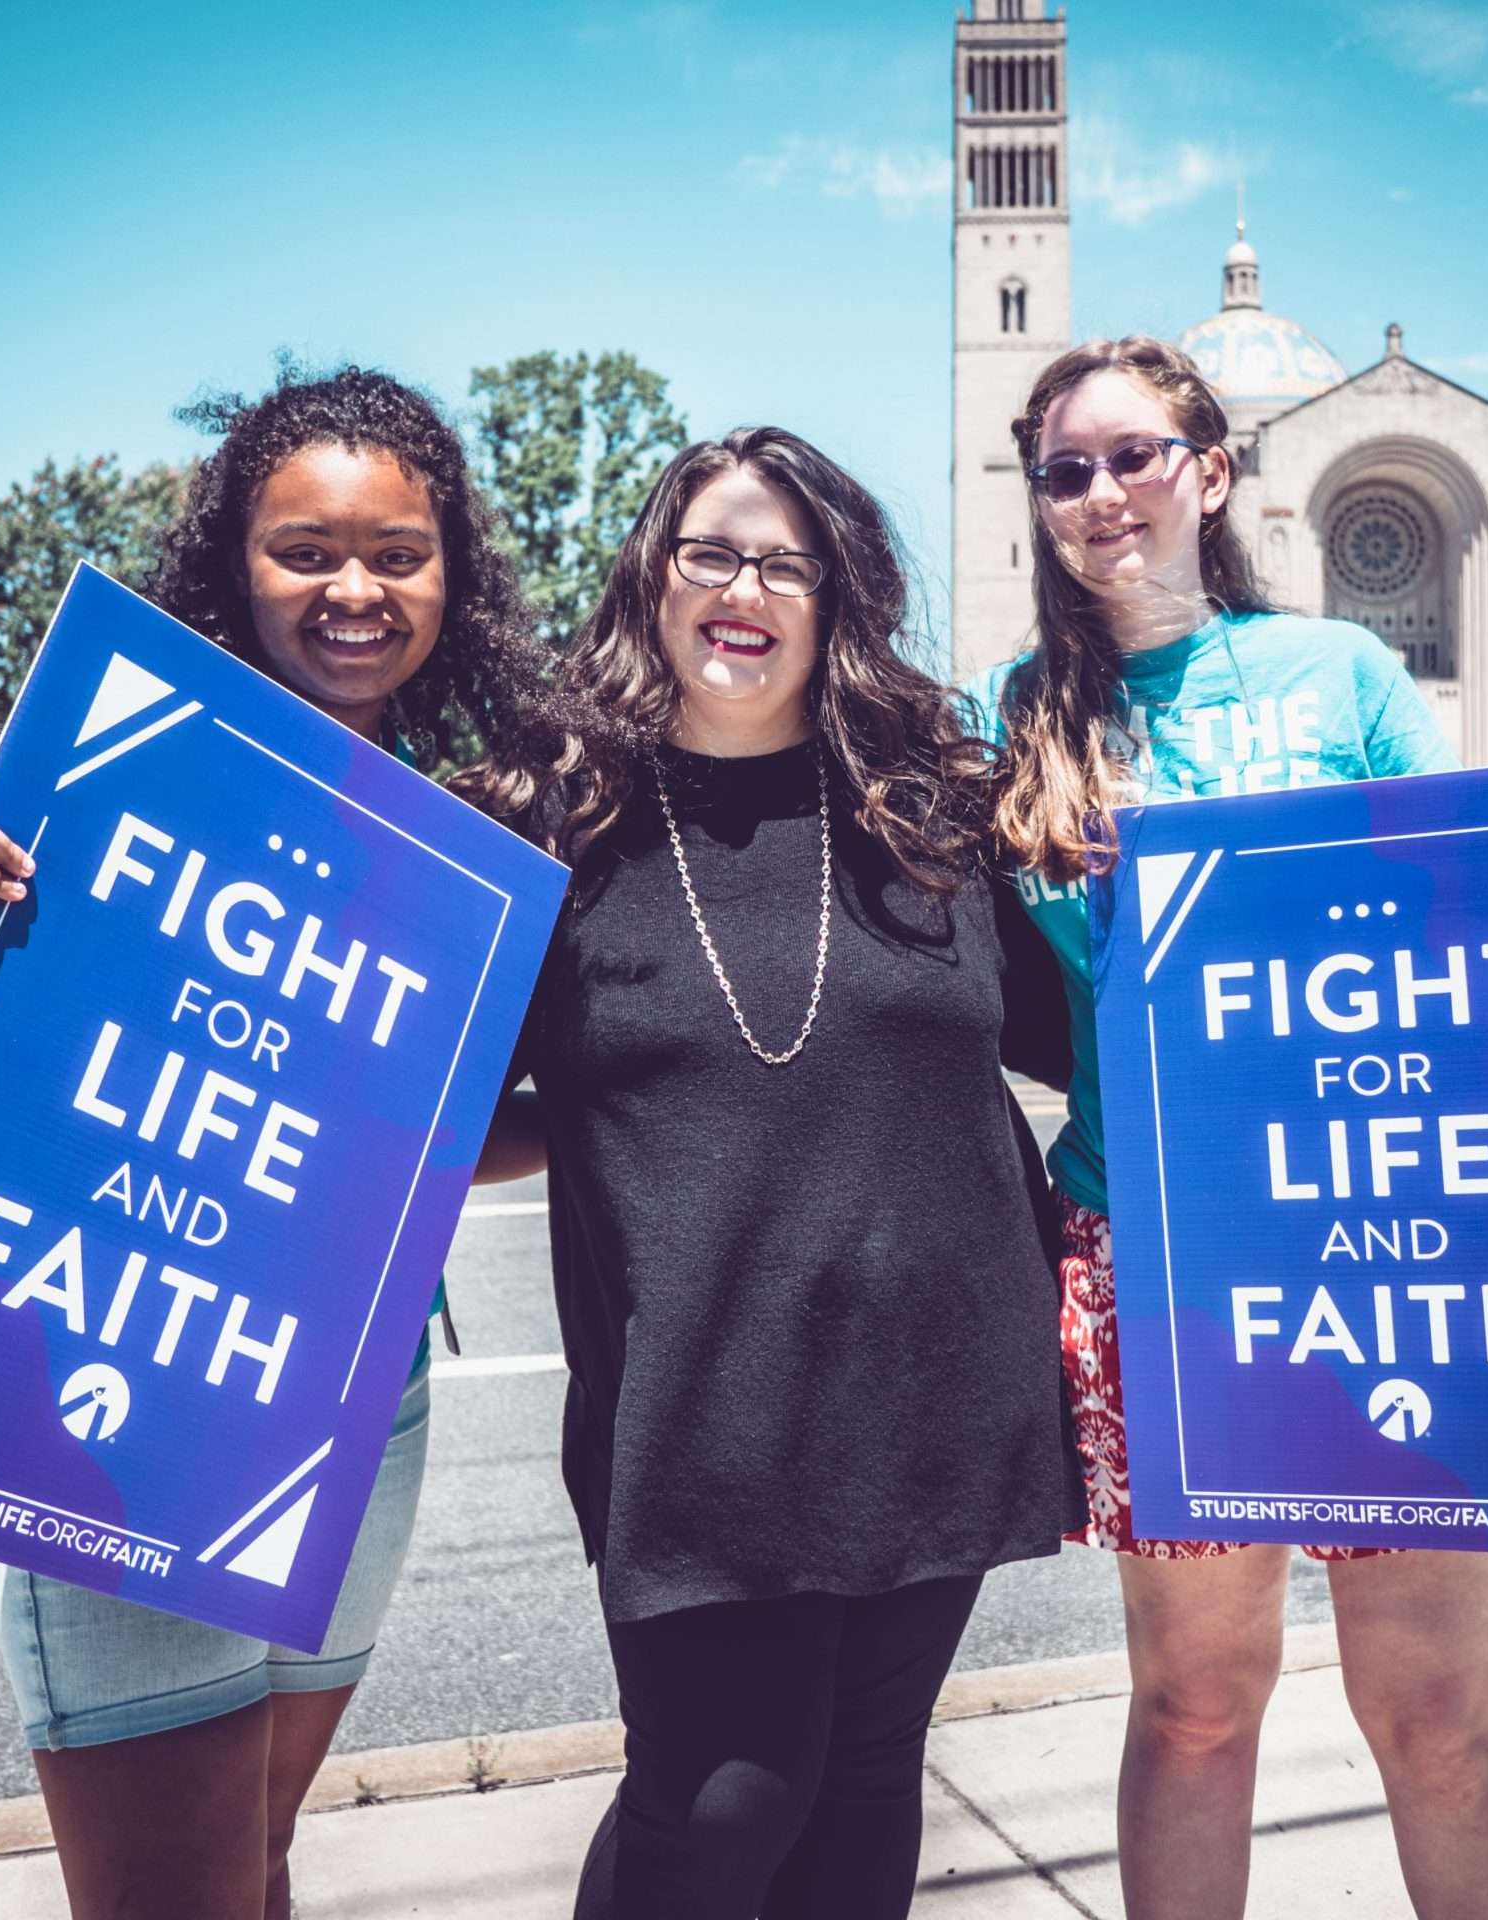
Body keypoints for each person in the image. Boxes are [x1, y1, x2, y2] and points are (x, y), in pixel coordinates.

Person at [962, 336, 1488, 1920]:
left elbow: (1465, 927)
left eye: (1135, 455)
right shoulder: (1011, 717)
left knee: (1437, 1718)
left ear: (1212, 470)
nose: (1101, 494)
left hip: (1394, 1246)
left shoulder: (1341, 679)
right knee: (1192, 1709)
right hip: (1162, 1257)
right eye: (1064, 471)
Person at [0, 364, 551, 1920]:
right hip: (123, 1403)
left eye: (399, 552)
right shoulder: (106, 758)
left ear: (453, 575)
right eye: (306, 549)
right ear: (235, 557)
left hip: (366, 1401)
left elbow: (451, 1139)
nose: (355, 588)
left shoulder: (460, 830)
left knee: (262, 1857)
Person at [456, 426, 1084, 1919]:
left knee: (868, 1785)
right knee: (720, 1802)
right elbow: (429, 1111)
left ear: (837, 599)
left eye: (787, 563)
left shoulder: (935, 808)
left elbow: (1112, 1037)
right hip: (698, 1417)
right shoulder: (550, 823)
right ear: (655, 579)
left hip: (940, 1390)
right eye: (713, 552)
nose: (748, 586)